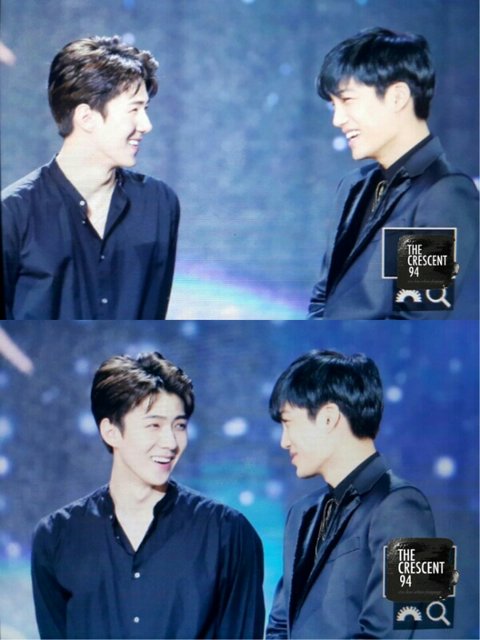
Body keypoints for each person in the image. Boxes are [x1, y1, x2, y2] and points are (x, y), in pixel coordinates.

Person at [31, 352, 265, 639]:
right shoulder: (57, 536)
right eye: (154, 425)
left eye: (179, 426)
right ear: (111, 432)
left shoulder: (227, 534)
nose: (170, 442)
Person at [2, 36, 180, 319]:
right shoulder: (13, 213)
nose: (146, 125)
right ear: (86, 118)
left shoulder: (158, 203)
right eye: (134, 109)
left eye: (145, 110)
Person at [308, 28, 479, 320]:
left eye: (347, 101)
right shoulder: (353, 187)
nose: (337, 119)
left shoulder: (440, 194)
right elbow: (322, 300)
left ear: (398, 97)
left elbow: (418, 321)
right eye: (333, 106)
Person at [266, 350, 435, 639]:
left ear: (328, 417)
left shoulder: (408, 506)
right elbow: (280, 626)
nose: (284, 441)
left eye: (288, 422)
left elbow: (415, 627)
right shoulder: (301, 513)